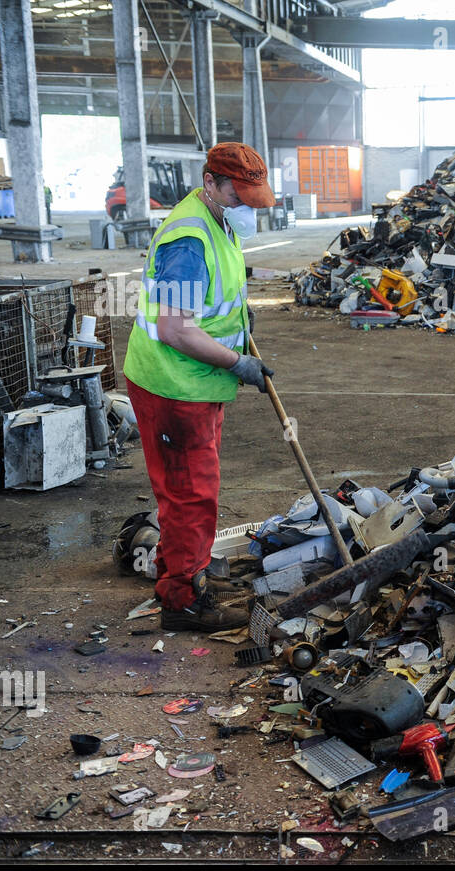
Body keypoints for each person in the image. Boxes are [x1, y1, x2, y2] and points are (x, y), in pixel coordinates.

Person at [122, 142, 276, 632]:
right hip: (173, 386)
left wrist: (238, 316)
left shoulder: (218, 221)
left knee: (188, 490)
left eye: (254, 196)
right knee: (191, 496)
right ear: (210, 182)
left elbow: (211, 299)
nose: (248, 205)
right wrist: (238, 363)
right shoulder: (187, 240)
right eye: (239, 194)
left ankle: (182, 570)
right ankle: (183, 602)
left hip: (198, 383)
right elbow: (175, 329)